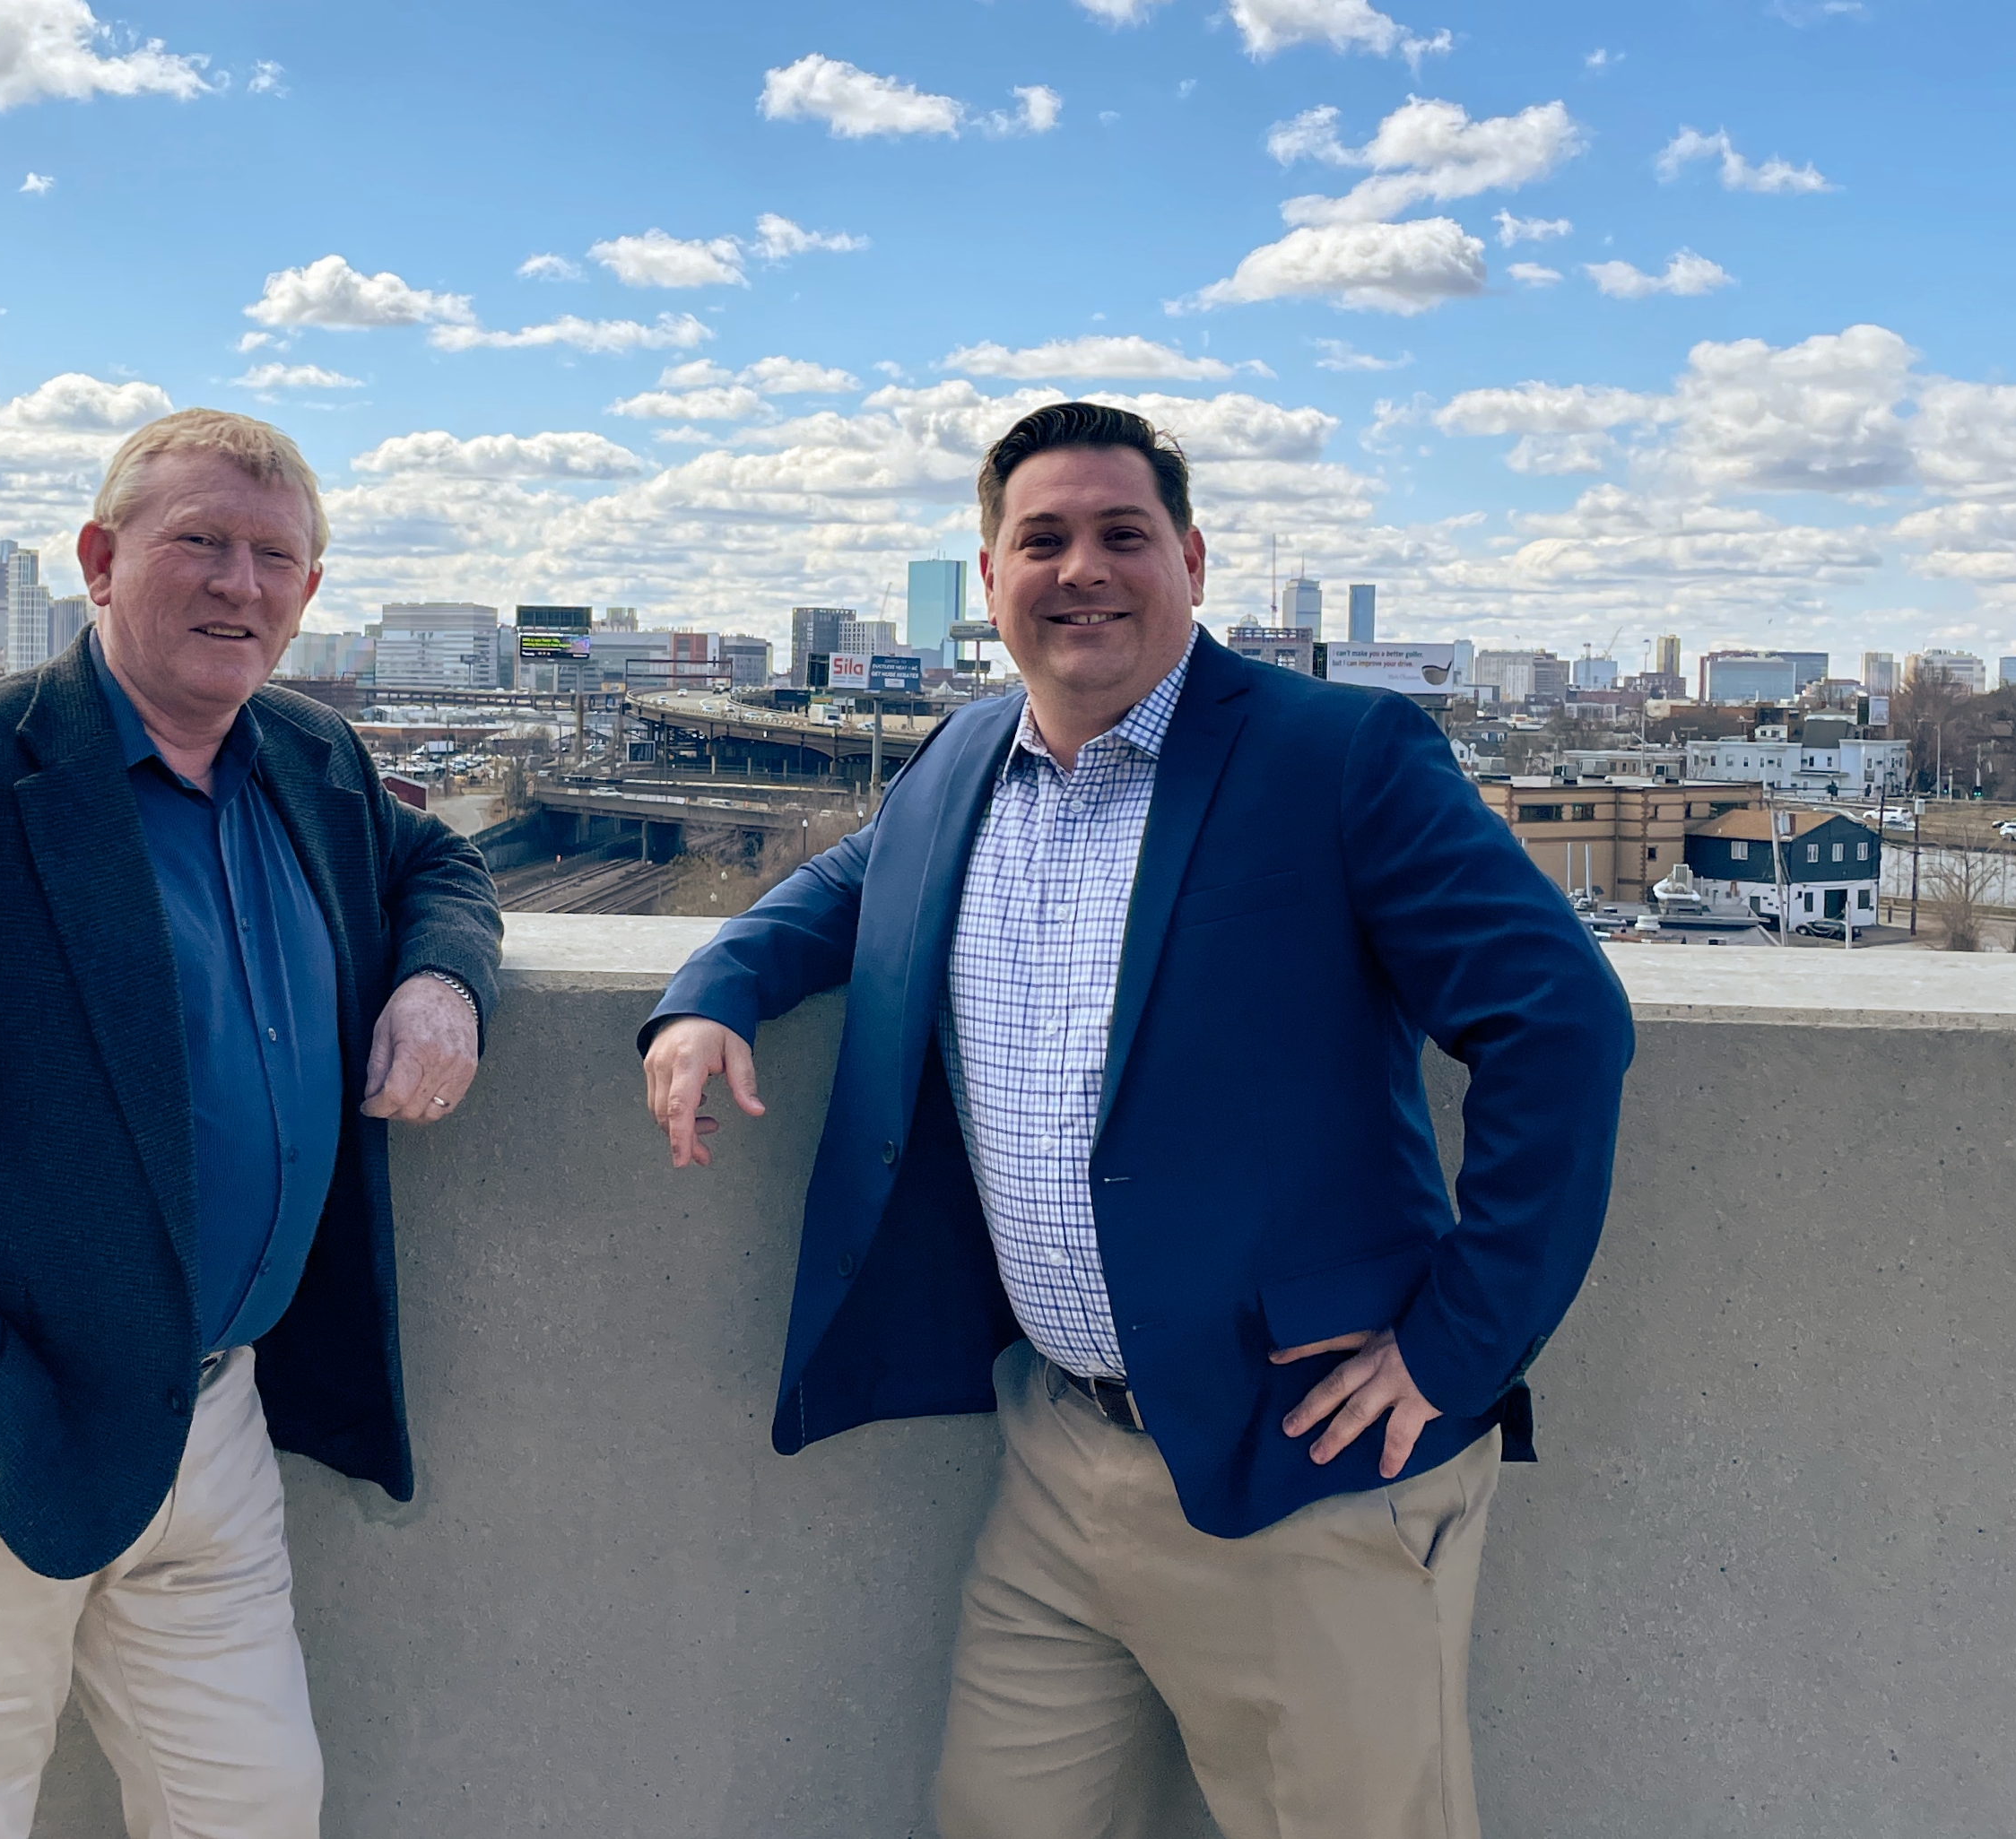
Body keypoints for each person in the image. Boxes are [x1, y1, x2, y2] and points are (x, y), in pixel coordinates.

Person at [639, 402, 1633, 1838]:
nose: (1083, 569)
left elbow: (1561, 1022)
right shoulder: (962, 760)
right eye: (1042, 539)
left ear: (1193, 560)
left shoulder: (1336, 754)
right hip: (1058, 1461)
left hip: (1308, 1467)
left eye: (1124, 533)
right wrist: (711, 990)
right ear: (991, 576)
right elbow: (849, 888)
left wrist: (1459, 1344)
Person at [0, 408, 501, 1838]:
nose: (239, 584)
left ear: (311, 592)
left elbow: (438, 862)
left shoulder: (309, 761)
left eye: (275, 558)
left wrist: (440, 982)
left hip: (213, 1419)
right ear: (99, 559)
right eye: (199, 541)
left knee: (254, 1807)